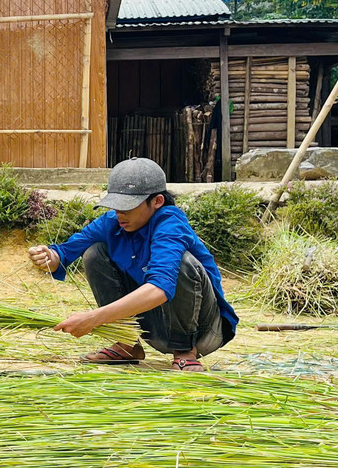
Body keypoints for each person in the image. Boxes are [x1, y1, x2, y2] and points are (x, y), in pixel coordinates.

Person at [26, 157, 237, 372]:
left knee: (183, 262)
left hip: (203, 331)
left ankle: (184, 352)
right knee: (94, 252)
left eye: (128, 207)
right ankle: (126, 344)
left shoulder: (170, 224)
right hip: (157, 325)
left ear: (157, 202)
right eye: (116, 206)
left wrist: (93, 319)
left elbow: (160, 288)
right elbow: (64, 253)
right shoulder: (112, 222)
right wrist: (49, 257)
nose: (120, 214)